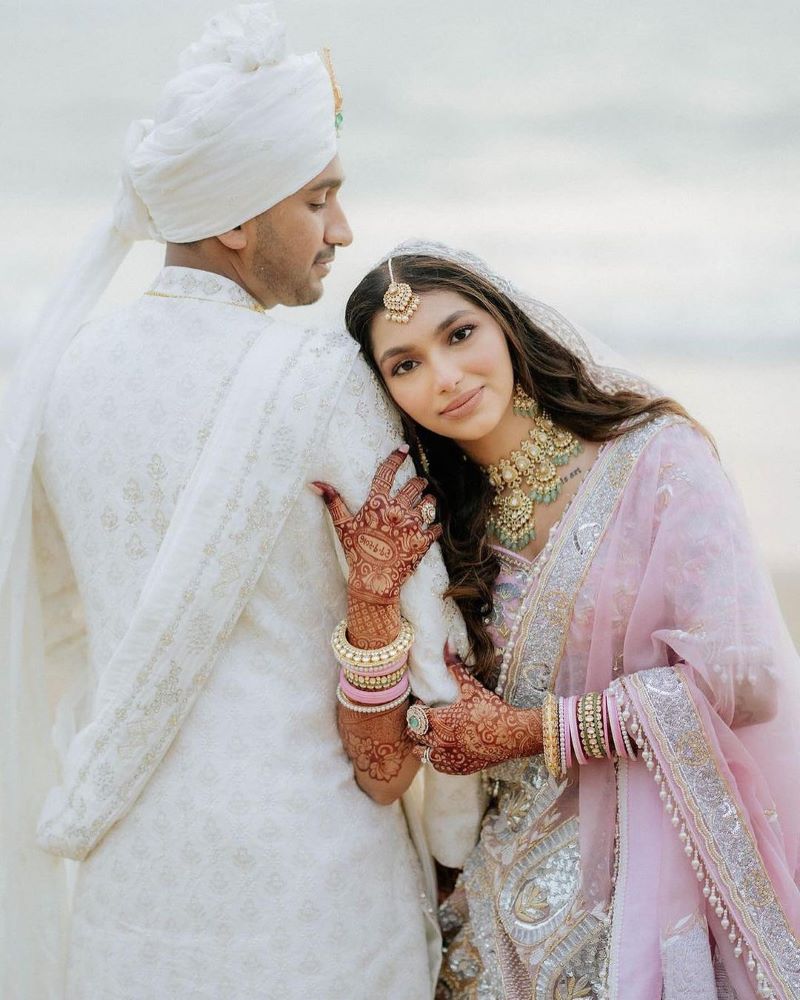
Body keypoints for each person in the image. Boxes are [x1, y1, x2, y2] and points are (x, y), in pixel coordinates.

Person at [0, 11, 484, 999]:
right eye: (320, 199)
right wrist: (453, 844)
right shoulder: (320, 377)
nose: (341, 231)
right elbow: (437, 658)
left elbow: (54, 630)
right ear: (236, 218)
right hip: (317, 903)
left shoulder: (57, 376)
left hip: (130, 894)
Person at [316, 240, 800, 999]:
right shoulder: (431, 531)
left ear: (506, 324)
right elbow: (383, 776)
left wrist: (531, 732)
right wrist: (372, 598)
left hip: (655, 884)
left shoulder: (658, 461)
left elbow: (743, 680)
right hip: (498, 910)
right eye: (404, 364)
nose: (445, 377)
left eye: (459, 334)